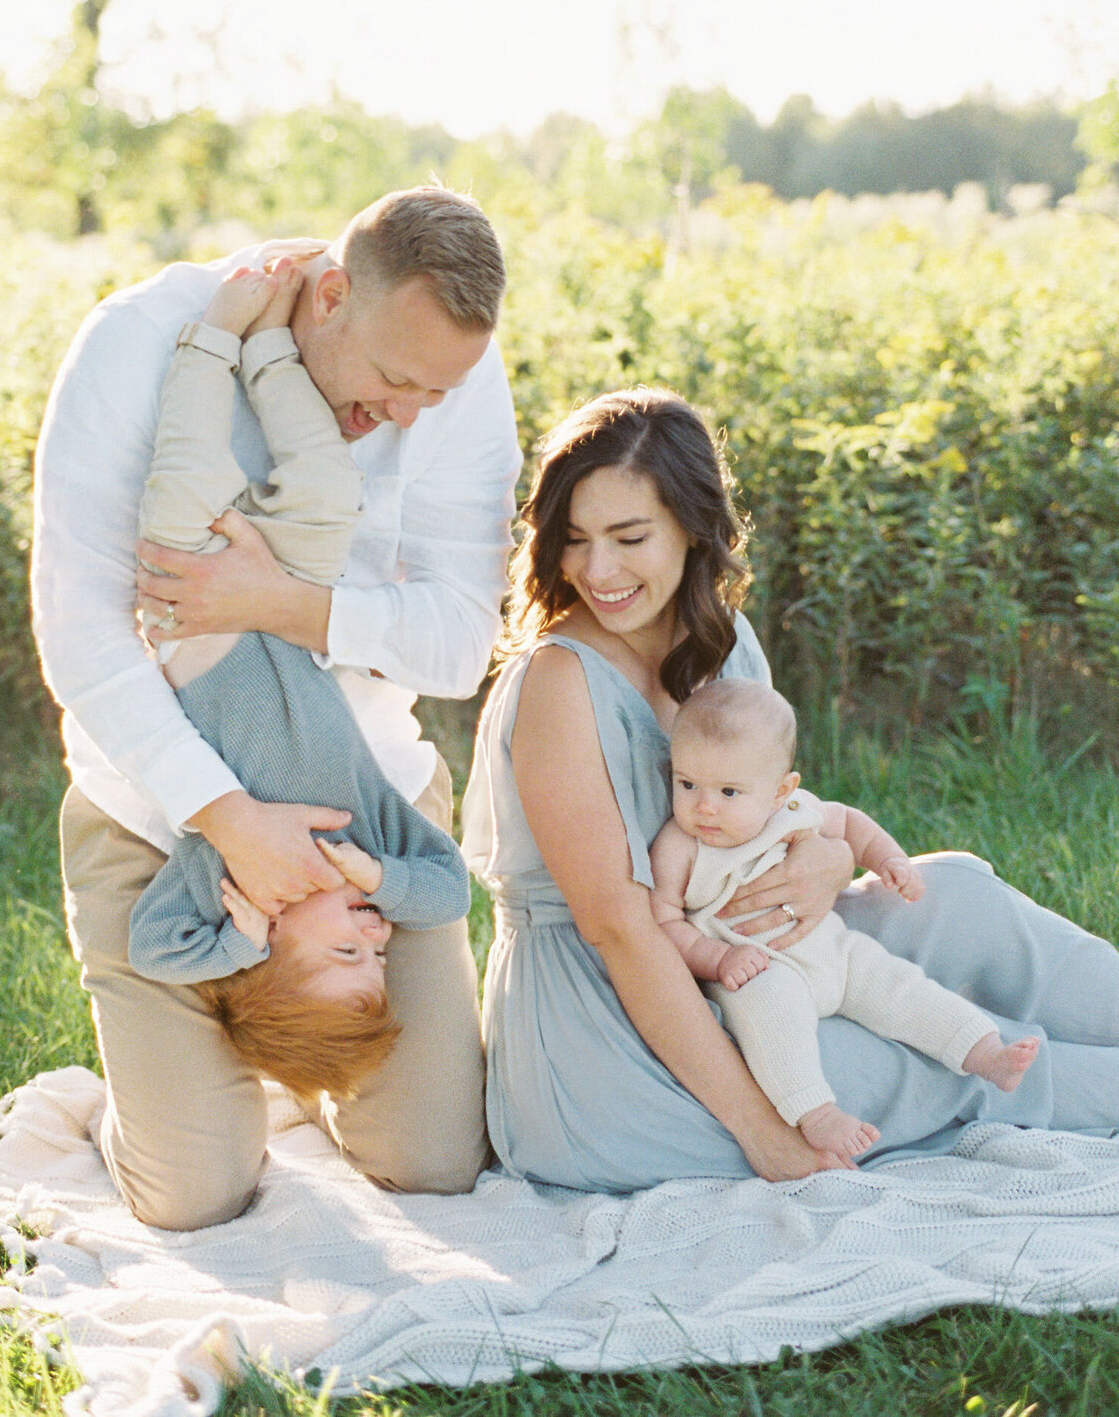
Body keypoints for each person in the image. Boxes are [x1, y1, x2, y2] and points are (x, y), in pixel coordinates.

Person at [461, 386, 1119, 1192]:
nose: (598, 570)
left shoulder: (724, 642)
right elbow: (623, 933)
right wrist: (764, 1130)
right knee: (934, 1060)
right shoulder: (560, 682)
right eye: (574, 539)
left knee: (957, 894)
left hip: (756, 947)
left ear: (693, 529)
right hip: (607, 1036)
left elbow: (775, 805)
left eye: (629, 537)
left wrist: (827, 855)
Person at [32, 186, 522, 1228]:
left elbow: (458, 645)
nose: (408, 414)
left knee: (433, 1161)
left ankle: (295, 1063)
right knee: (195, 1195)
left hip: (368, 812)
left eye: (434, 392)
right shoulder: (137, 344)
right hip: (160, 823)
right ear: (333, 292)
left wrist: (282, 605)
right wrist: (225, 819)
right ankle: (175, 1090)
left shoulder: (452, 379)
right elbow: (79, 636)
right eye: (393, 379)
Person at [123, 261, 471, 1109]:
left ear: (275, 940)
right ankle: (273, 349)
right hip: (281, 608)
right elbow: (448, 888)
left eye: (346, 954)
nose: (375, 937)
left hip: (195, 625)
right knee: (326, 485)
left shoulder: (238, 880)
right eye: (378, 957)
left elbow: (154, 948)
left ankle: (214, 340)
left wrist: (238, 939)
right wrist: (373, 875)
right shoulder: (369, 845)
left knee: (187, 481)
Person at [650, 679, 1039, 1168]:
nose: (704, 806)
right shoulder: (681, 846)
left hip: (832, 952)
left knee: (899, 986)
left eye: (728, 791)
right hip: (757, 971)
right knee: (773, 1020)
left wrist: (889, 859)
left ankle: (983, 1051)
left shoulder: (794, 812)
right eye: (687, 784)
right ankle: (815, 1113)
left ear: (780, 790)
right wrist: (719, 958)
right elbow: (663, 920)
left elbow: (851, 823)